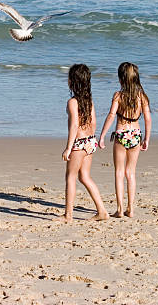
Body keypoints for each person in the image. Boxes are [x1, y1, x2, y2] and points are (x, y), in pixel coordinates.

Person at [56, 64, 109, 223]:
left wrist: (68, 147)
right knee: (85, 176)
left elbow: (74, 125)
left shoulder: (73, 102)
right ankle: (102, 211)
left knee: (71, 176)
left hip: (78, 143)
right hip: (90, 141)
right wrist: (92, 140)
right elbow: (93, 123)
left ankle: (68, 215)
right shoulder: (89, 101)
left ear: (73, 82)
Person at [98, 62, 151, 218]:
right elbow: (148, 118)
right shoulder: (142, 97)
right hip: (135, 134)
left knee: (119, 172)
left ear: (121, 79)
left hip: (121, 133)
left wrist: (102, 136)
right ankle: (131, 209)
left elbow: (111, 115)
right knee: (131, 173)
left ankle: (120, 209)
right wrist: (147, 138)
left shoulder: (118, 96)